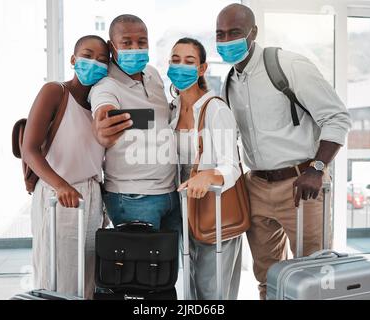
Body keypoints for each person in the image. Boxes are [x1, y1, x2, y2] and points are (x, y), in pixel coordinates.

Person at [216, 4, 352, 299]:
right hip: (256, 186)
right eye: (220, 34)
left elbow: (337, 118)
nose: (226, 40)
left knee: (313, 276)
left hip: (302, 185)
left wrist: (316, 169)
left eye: (234, 33)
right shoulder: (228, 82)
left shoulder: (287, 65)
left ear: (253, 32)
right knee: (268, 278)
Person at [22, 35, 110, 299]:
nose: (94, 62)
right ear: (73, 59)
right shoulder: (55, 92)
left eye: (102, 60)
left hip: (91, 199)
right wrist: (61, 186)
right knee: (56, 275)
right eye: (87, 55)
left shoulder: (100, 107)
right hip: (58, 196)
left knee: (86, 278)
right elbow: (30, 149)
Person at [90, 15, 181, 233]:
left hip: (170, 192)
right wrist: (103, 127)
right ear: (112, 47)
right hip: (133, 198)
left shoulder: (152, 74)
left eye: (142, 42)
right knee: (141, 268)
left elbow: (159, 120)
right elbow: (104, 115)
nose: (135, 48)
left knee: (170, 266)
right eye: (126, 42)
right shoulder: (106, 85)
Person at [168, 37, 242, 300]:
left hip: (214, 208)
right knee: (189, 287)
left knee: (213, 291)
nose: (180, 66)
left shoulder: (215, 109)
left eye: (189, 61)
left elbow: (232, 166)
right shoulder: (173, 109)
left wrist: (209, 175)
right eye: (175, 60)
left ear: (202, 69)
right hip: (184, 209)